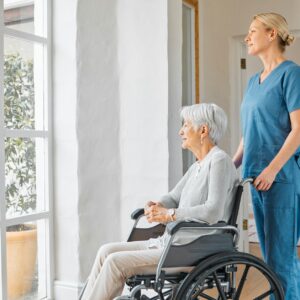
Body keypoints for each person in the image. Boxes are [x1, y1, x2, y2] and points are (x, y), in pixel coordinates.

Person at [82, 103, 238, 300]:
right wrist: (157, 205)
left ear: (203, 130)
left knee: (114, 262)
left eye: (186, 125)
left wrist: (170, 214)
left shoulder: (219, 161)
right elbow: (173, 197)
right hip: (174, 243)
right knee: (106, 251)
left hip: (192, 249)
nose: (181, 131)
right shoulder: (198, 165)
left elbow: (213, 212)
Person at [233, 12, 300, 300]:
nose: (247, 37)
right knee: (270, 261)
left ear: (272, 34)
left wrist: (272, 170)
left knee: (281, 261)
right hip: (255, 177)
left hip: (281, 178)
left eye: (252, 31)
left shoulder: (291, 74)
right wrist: (228, 164)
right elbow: (248, 134)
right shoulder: (252, 82)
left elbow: (298, 129)